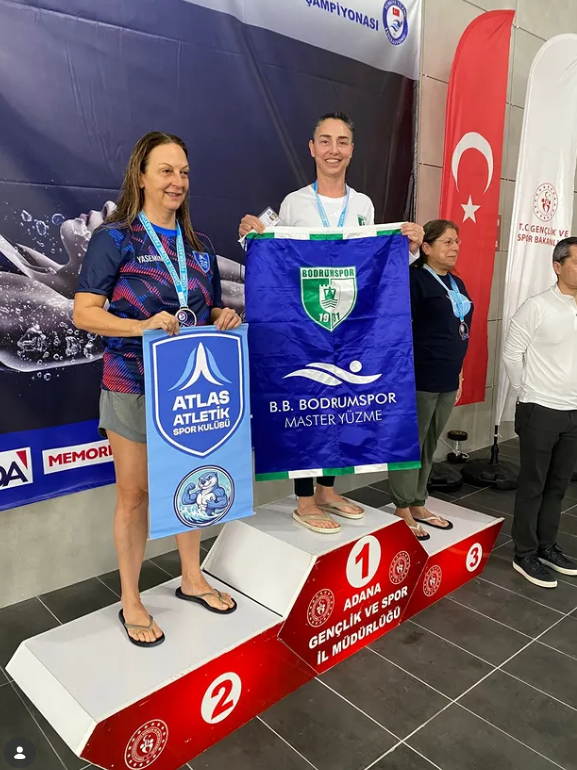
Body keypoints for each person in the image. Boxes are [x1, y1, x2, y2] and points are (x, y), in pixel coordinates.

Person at [74, 131, 242, 647]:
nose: (177, 181)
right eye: (166, 170)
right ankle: (131, 599)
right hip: (130, 382)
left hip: (188, 390)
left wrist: (223, 315)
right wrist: (139, 326)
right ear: (141, 176)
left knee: (192, 478)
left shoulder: (200, 247)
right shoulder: (116, 239)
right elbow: (84, 312)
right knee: (135, 494)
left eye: (184, 172)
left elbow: (204, 308)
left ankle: (192, 578)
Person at [239, 112, 424, 533]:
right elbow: (278, 260)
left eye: (342, 141)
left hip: (352, 326)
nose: (333, 150)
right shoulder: (294, 203)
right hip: (303, 327)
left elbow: (373, 265)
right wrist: (252, 235)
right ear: (312, 148)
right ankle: (305, 501)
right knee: (306, 404)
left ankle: (327, 491)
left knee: (341, 405)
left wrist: (408, 248)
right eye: (325, 141)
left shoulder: (363, 205)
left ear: (352, 150)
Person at [388, 220, 473, 540]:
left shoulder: (456, 282)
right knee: (411, 443)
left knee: (430, 443)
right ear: (426, 247)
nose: (455, 248)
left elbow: (459, 330)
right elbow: (399, 330)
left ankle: (418, 501)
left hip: (447, 376)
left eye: (457, 242)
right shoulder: (414, 280)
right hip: (419, 376)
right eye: (447, 242)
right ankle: (401, 506)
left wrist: (459, 371)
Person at [503, 236, 577, 588]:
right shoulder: (537, 306)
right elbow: (511, 354)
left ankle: (548, 546)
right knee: (533, 484)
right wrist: (527, 392)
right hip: (540, 408)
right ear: (557, 266)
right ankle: (525, 553)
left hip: (573, 411)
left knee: (558, 485)